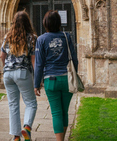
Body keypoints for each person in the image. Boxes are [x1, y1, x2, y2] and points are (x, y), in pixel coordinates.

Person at [34, 10, 78, 141]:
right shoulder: (66, 36)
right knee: (64, 112)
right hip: (66, 80)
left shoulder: (41, 39)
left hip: (50, 80)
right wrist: (75, 74)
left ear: (45, 23)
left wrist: (36, 84)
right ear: (59, 23)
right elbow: (74, 59)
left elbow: (39, 64)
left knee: (56, 113)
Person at [0, 11, 38, 141]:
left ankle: (16, 136)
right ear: (28, 22)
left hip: (8, 73)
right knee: (31, 103)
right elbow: (33, 60)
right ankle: (27, 127)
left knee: (13, 104)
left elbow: (2, 56)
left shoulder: (7, 36)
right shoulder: (32, 37)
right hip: (23, 72)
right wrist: (37, 80)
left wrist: (7, 67)